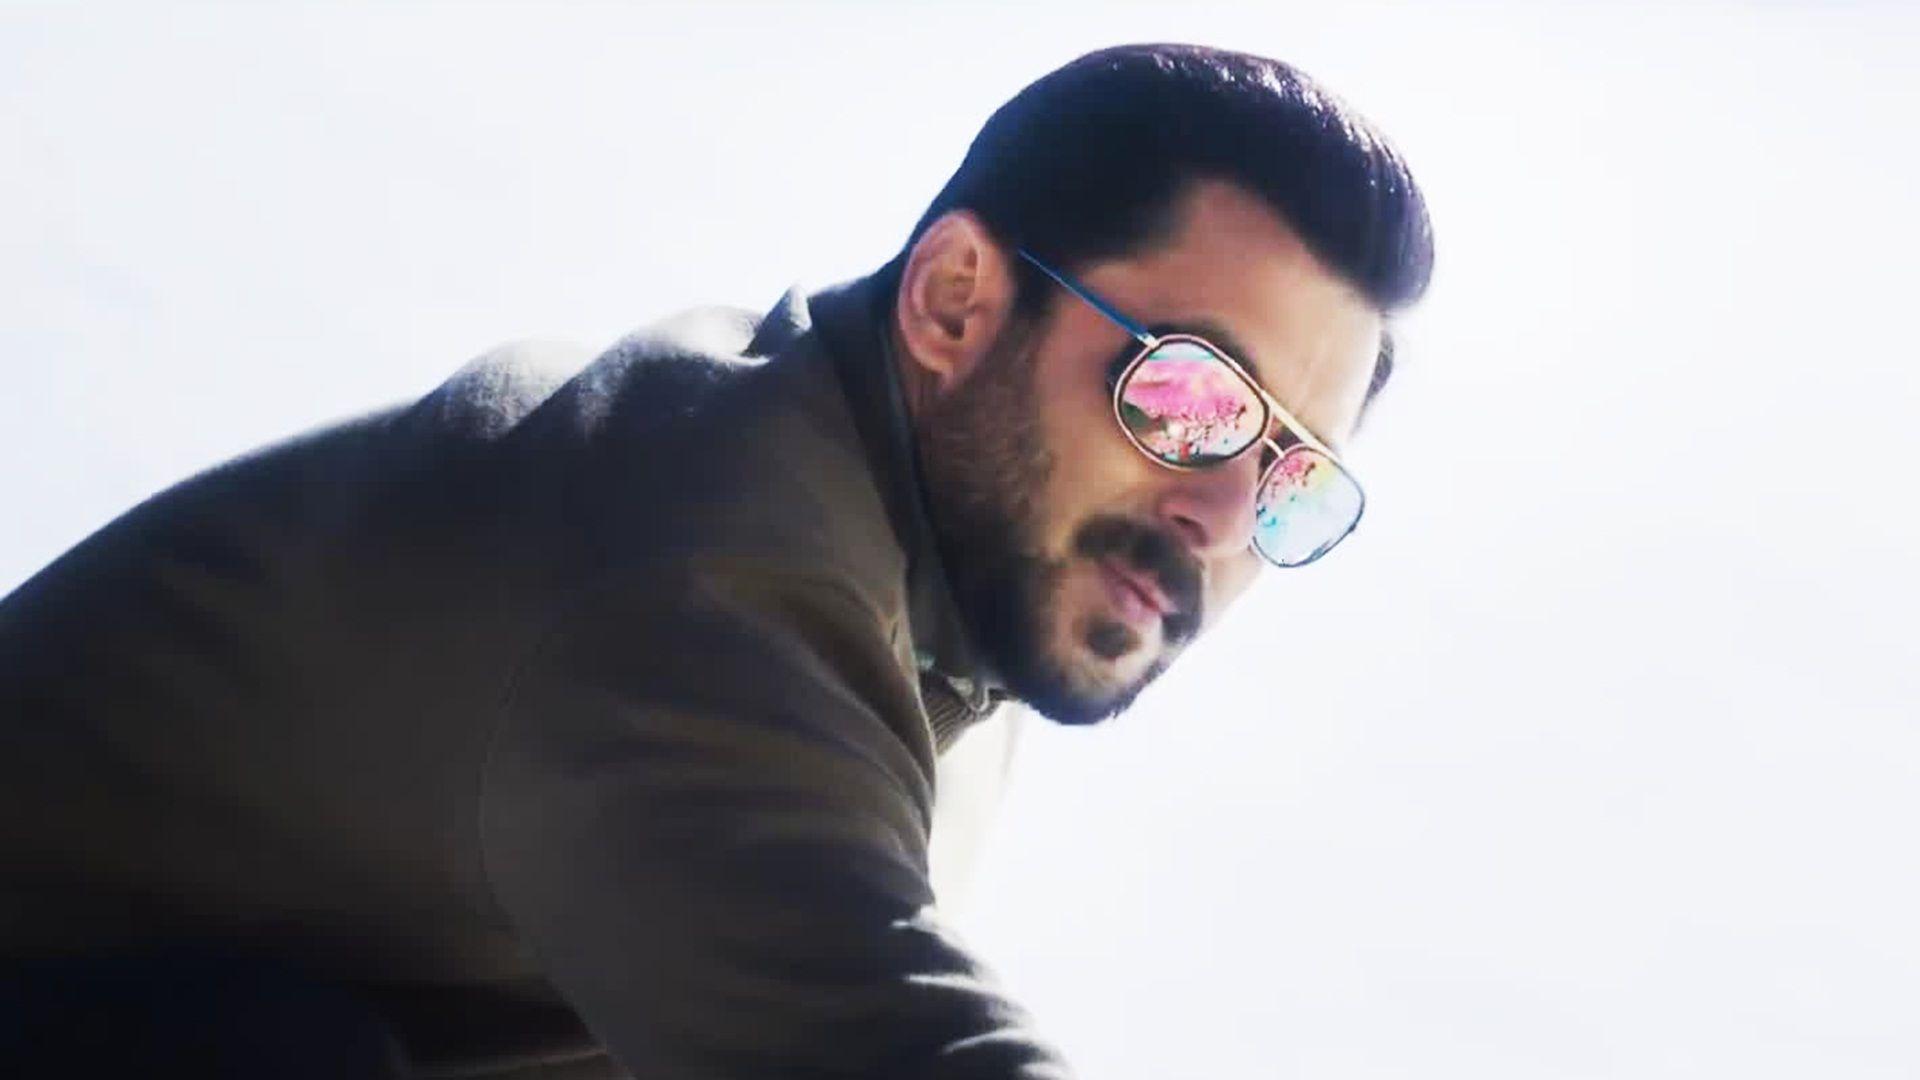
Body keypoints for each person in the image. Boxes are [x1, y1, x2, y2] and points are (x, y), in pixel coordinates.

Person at [0, 42, 1432, 1078]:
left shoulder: (941, 656)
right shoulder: (706, 564)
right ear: (954, 302)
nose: (1223, 512)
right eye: (1191, 397)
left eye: (1290, 475)